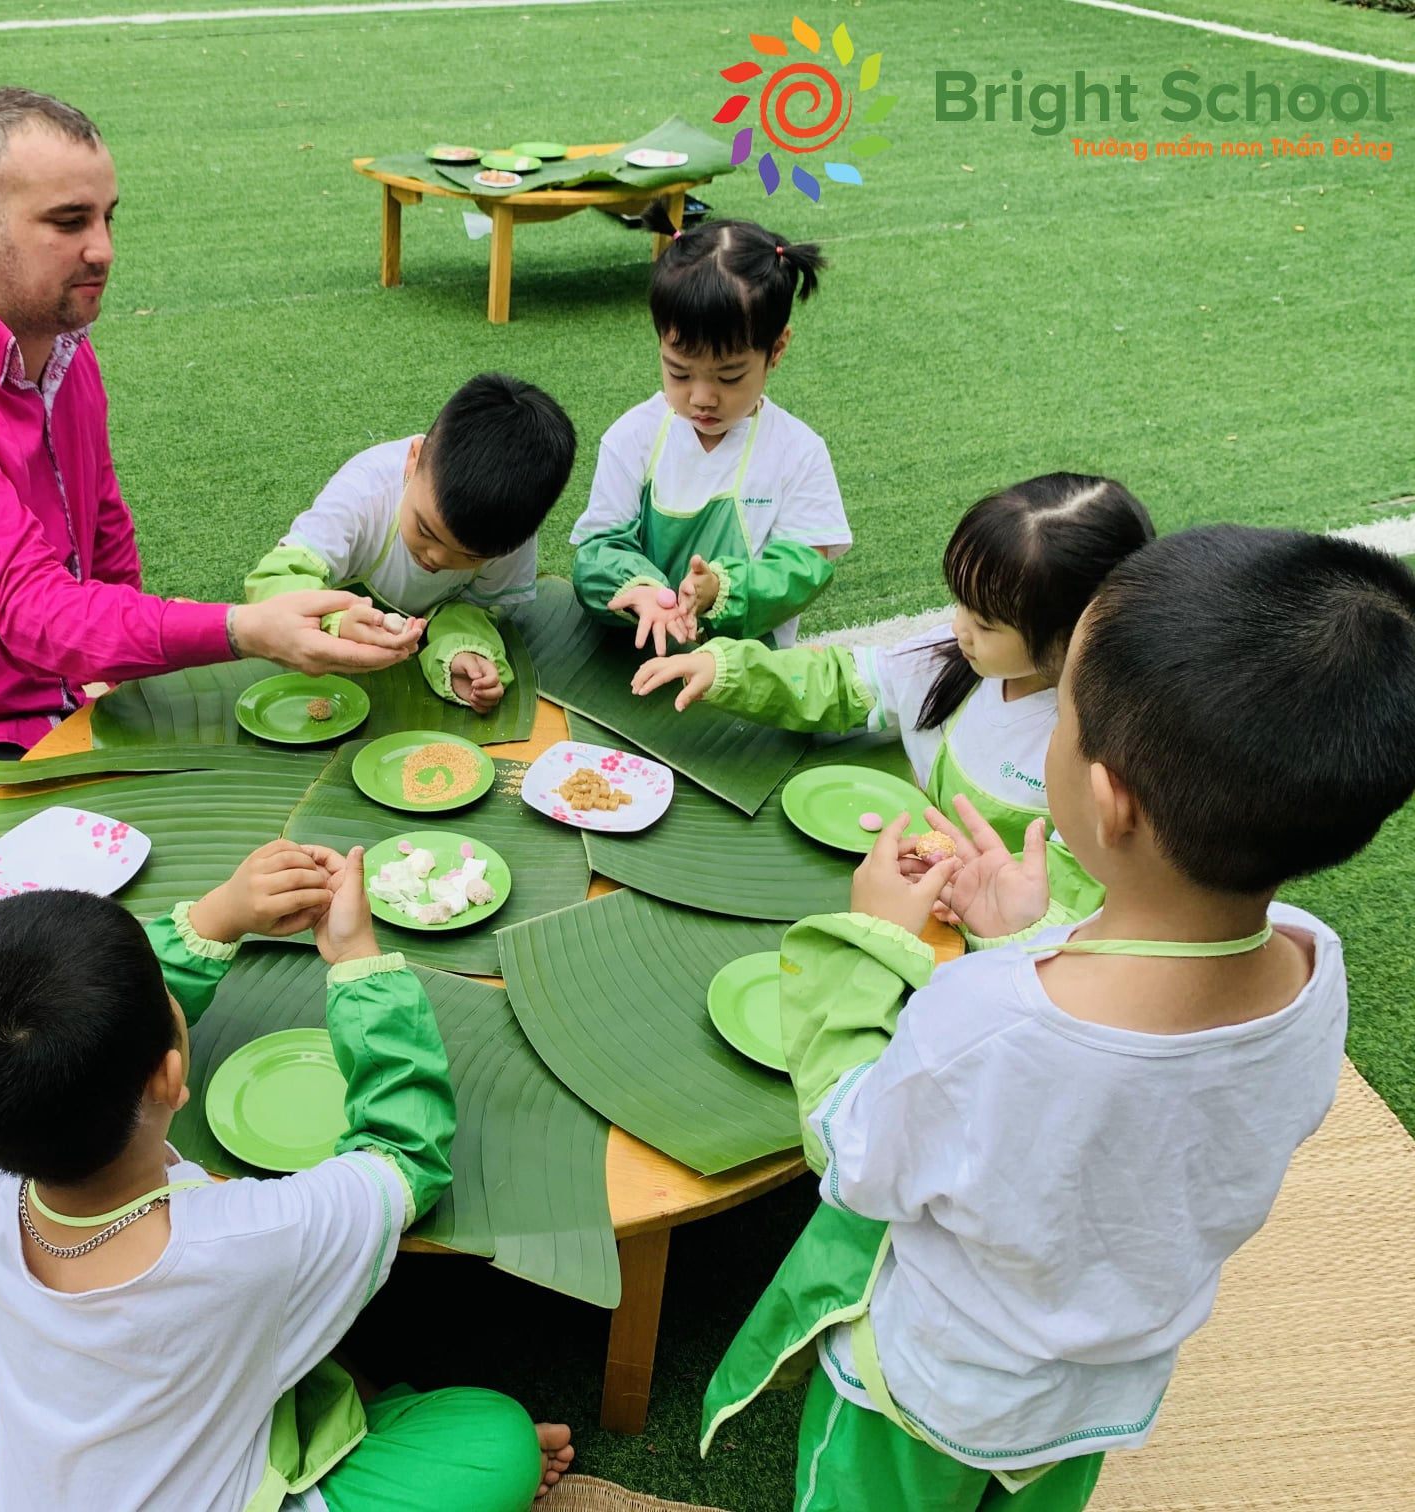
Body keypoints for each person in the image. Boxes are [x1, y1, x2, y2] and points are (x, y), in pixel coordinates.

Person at [699, 527, 1415, 1508]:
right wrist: (1024, 937)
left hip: (934, 1390)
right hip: (1095, 1398)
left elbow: (854, 1153)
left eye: (1062, 714)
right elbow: (1138, 1105)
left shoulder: (987, 1020)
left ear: (1108, 800)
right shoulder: (1312, 963)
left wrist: (865, 945)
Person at [0, 86, 417, 970]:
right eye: (68, 222)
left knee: (202, 847)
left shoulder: (55, 341)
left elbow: (101, 531)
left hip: (20, 708)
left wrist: (127, 677)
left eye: (108, 216)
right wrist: (243, 629)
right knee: (15, 976)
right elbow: (29, 609)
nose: (103, 249)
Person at [0, 840, 574, 1511]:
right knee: (498, 1442)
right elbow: (403, 1155)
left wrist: (218, 917)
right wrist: (358, 962)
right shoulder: (254, 1238)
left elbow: (86, 1034)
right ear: (170, 1077)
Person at [631, 474, 1154, 879]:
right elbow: (845, 683)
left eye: (986, 623)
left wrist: (981, 887)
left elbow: (1073, 892)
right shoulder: (956, 659)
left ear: (1073, 634)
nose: (958, 628)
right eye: (961, 604)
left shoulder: (1101, 755)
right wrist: (729, 670)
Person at [570, 214, 849, 657]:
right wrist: (643, 591)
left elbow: (802, 569)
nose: (702, 398)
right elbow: (598, 549)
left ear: (776, 348)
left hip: (742, 673)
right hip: (637, 661)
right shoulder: (633, 437)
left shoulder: (798, 452)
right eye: (679, 373)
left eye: (729, 376)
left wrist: (720, 589)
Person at [245, 373, 576, 713]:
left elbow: (474, 607)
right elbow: (277, 579)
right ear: (414, 458)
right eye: (426, 530)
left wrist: (462, 651)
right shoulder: (364, 494)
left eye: (469, 557)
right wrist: (336, 620)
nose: (436, 558)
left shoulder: (508, 533)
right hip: (325, 674)